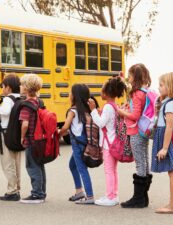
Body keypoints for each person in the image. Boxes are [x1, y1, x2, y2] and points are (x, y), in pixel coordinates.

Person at [117, 63, 152, 208]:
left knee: (140, 162)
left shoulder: (137, 94)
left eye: (130, 76)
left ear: (135, 77)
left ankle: (138, 198)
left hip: (136, 131)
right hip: (144, 131)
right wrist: (122, 79)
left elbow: (135, 115)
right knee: (144, 160)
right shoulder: (145, 91)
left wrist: (121, 112)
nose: (128, 78)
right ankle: (143, 196)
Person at [88, 77, 127, 206]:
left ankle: (110, 197)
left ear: (106, 92)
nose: (100, 91)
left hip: (108, 144)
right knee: (113, 170)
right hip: (114, 142)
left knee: (109, 170)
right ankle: (113, 195)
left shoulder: (108, 107)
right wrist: (100, 112)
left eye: (101, 89)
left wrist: (93, 110)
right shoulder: (114, 106)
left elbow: (100, 123)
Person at [59, 84, 95, 204]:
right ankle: (79, 192)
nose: (69, 94)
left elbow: (65, 127)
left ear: (75, 96)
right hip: (85, 143)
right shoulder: (86, 110)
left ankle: (89, 196)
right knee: (72, 165)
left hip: (78, 144)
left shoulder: (72, 111)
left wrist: (58, 133)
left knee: (82, 169)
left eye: (70, 92)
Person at [151, 72, 173, 214]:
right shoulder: (168, 101)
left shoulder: (170, 104)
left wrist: (164, 148)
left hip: (167, 140)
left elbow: (169, 126)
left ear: (170, 86)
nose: (159, 87)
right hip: (168, 139)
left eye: (161, 85)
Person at [0, 74, 22, 201]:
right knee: (17, 163)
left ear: (8, 88)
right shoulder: (20, 98)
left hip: (7, 133)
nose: (2, 89)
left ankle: (12, 191)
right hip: (18, 133)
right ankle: (17, 188)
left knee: (7, 163)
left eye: (3, 86)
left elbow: (5, 112)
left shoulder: (8, 100)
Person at [19, 73, 46, 204]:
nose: (20, 86)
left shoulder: (26, 105)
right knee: (40, 166)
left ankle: (37, 194)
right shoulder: (39, 102)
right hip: (40, 140)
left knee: (32, 166)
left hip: (31, 140)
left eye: (22, 84)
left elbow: (24, 124)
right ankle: (42, 191)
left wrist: (21, 137)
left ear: (26, 87)